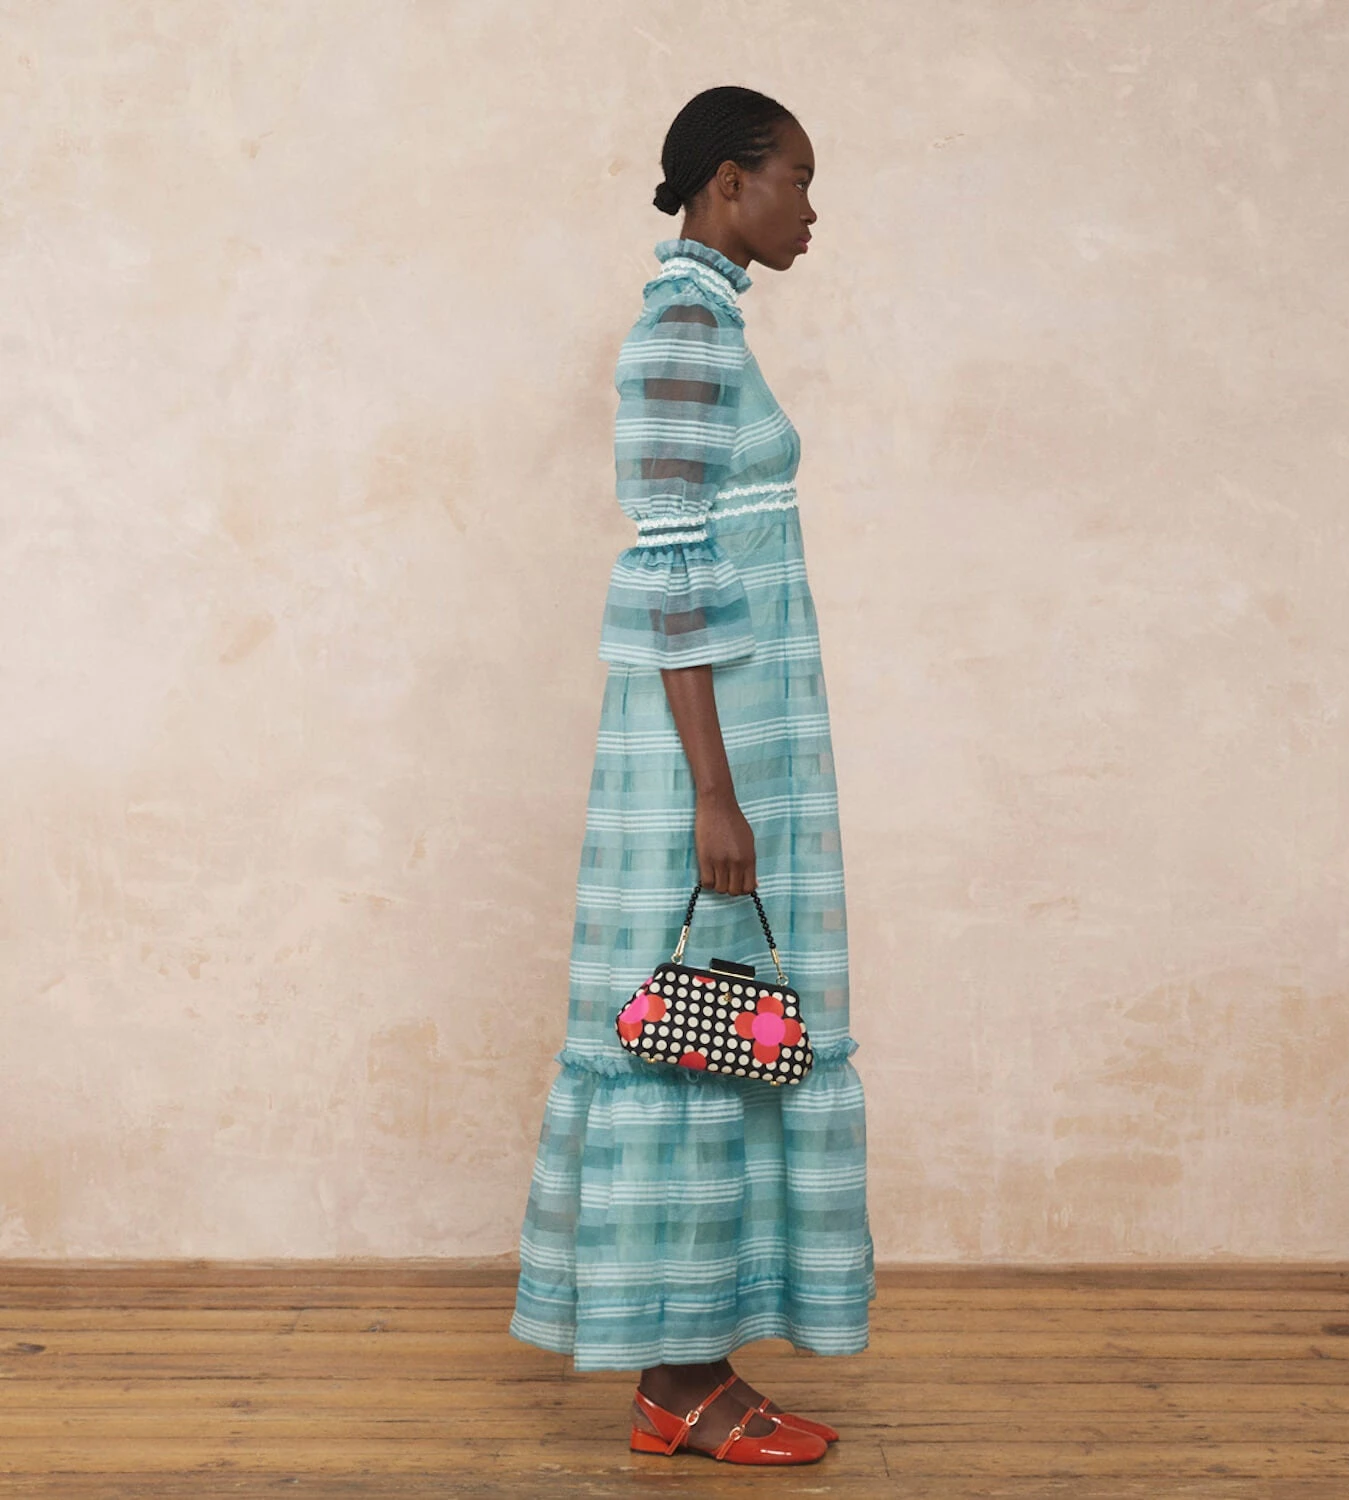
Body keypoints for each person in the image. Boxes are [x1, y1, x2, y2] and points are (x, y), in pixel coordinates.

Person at [508, 84, 875, 1466]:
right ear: (730, 182)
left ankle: (691, 1369)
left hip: (745, 738)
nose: (812, 208)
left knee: (728, 1026)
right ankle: (681, 1380)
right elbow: (666, 571)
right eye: (798, 179)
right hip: (700, 754)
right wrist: (714, 794)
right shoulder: (677, 329)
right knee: (693, 1023)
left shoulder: (713, 320)